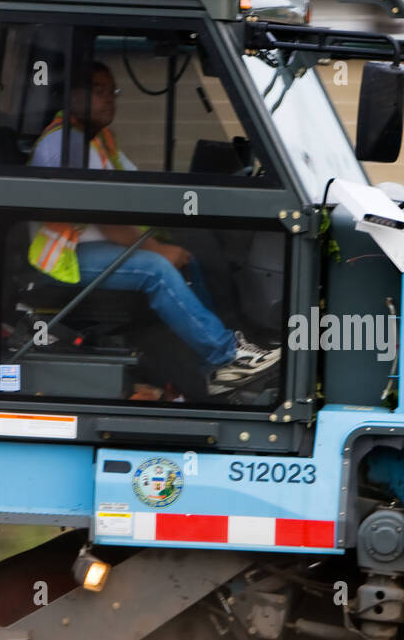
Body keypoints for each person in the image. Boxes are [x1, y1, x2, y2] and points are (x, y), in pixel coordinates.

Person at [27, 61, 278, 394]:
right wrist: (157, 248)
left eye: (111, 92)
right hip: (64, 257)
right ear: (73, 96)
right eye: (98, 91)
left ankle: (224, 359)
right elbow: (107, 216)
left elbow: (140, 191)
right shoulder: (64, 144)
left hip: (91, 247)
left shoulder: (99, 141)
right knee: (156, 268)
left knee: (189, 255)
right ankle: (225, 357)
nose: (109, 100)